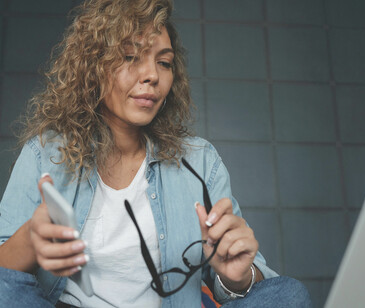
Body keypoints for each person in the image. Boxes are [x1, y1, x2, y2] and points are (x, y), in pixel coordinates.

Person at [0, 0, 311, 307]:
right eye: (131, 57)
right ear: (93, 67)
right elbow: (5, 278)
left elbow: (242, 280)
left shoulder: (201, 162)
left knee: (289, 295)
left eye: (164, 62)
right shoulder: (46, 153)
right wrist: (31, 239)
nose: (152, 75)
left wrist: (236, 277)